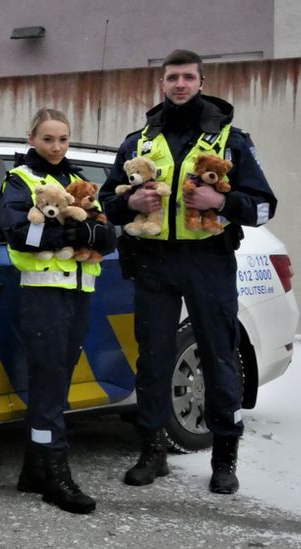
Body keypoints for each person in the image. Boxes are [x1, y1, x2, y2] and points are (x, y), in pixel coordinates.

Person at [98, 49, 277, 494]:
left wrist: (221, 203)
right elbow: (105, 203)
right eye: (172, 77)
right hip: (153, 261)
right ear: (161, 83)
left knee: (218, 358)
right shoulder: (137, 142)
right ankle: (152, 452)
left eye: (188, 77)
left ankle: (224, 458)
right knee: (154, 361)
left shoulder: (230, 139)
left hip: (207, 261)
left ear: (201, 81)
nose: (180, 84)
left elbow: (264, 205)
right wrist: (130, 205)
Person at [0, 108, 117, 514]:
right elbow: (19, 233)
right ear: (31, 138)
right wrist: (69, 231)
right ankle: (55, 476)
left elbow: (104, 231)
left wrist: (100, 232)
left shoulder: (78, 180)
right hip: (44, 296)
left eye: (63, 139)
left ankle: (34, 470)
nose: (56, 147)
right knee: (49, 385)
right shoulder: (21, 180)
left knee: (57, 385)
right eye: (48, 139)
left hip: (79, 295)